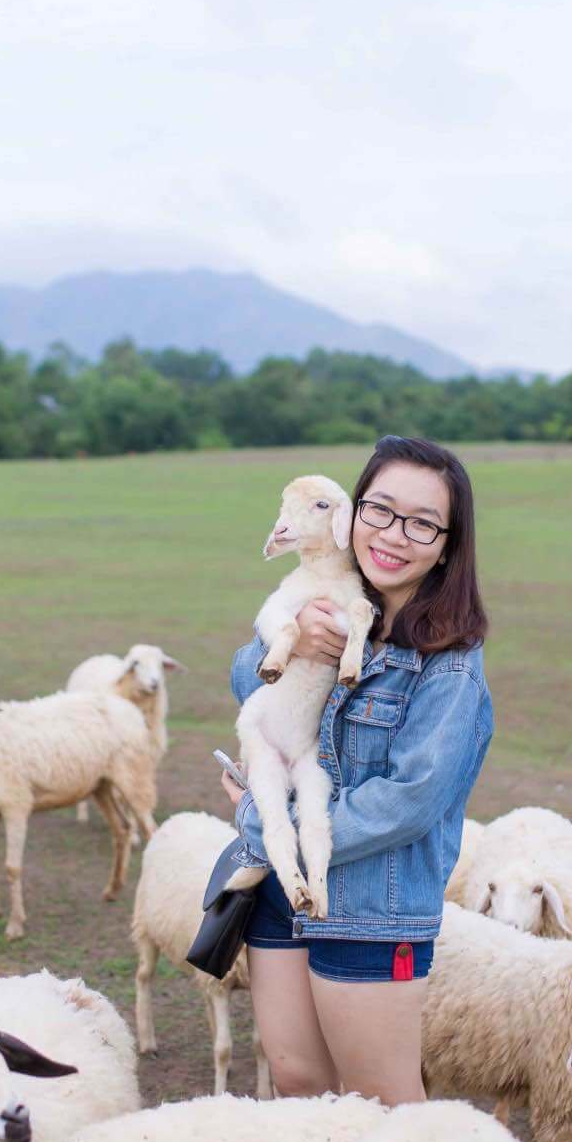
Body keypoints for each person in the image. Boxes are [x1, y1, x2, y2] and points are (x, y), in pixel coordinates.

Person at [220, 435, 492, 1104]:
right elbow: (247, 686)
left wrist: (266, 829)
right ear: (353, 510)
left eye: (422, 522)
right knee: (300, 1084)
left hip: (369, 906)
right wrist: (281, 642)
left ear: (448, 543)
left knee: (383, 1102)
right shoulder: (327, 602)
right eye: (380, 509)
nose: (394, 536)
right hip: (285, 894)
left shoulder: (449, 667)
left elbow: (407, 800)